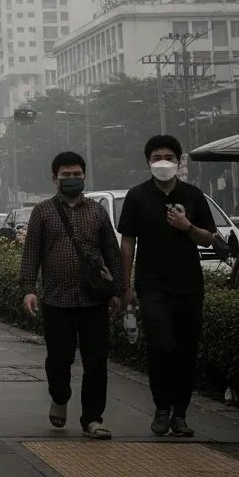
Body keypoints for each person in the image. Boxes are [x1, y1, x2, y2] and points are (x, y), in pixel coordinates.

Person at [20, 152, 124, 439]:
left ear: (84, 176)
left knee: (96, 362)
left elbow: (112, 253)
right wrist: (29, 288)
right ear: (54, 178)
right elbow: (31, 253)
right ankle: (60, 396)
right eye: (65, 175)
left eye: (77, 174)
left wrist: (118, 291)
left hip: (93, 300)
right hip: (56, 300)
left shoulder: (97, 211)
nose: (72, 179)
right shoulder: (42, 212)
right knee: (58, 359)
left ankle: (92, 418)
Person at [118, 134, 216, 437]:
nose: (163, 162)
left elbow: (208, 237)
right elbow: (128, 242)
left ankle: (181, 414)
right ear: (148, 162)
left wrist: (187, 227)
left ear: (178, 161)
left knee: (186, 351)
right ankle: (162, 407)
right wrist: (126, 286)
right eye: (157, 157)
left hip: (188, 284)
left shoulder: (193, 195)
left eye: (169, 157)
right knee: (162, 344)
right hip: (152, 285)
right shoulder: (137, 196)